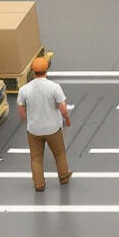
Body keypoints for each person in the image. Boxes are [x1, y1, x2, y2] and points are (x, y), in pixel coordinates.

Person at [18, 55, 72, 192]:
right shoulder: (54, 87)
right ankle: (64, 176)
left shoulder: (24, 89)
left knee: (36, 158)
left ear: (32, 71)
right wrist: (67, 119)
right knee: (59, 154)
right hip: (53, 128)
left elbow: (21, 109)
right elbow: (63, 107)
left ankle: (39, 184)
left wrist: (26, 120)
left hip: (34, 130)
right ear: (46, 70)